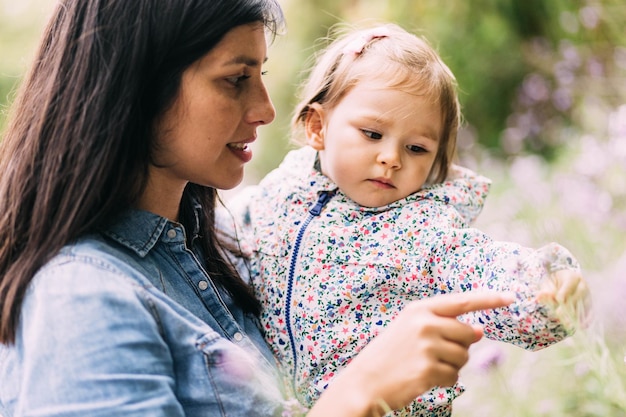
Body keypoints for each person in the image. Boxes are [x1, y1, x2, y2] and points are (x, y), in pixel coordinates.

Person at [0, 2, 517, 417]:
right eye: (236, 78)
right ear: (138, 84)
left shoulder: (229, 244)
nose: (268, 109)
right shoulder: (79, 295)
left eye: (262, 73)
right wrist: (360, 391)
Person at [225, 23, 590, 416]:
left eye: (416, 148)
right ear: (318, 126)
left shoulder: (423, 228)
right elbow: (225, 235)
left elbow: (486, 271)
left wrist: (546, 288)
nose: (392, 158)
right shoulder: (282, 190)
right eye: (372, 134)